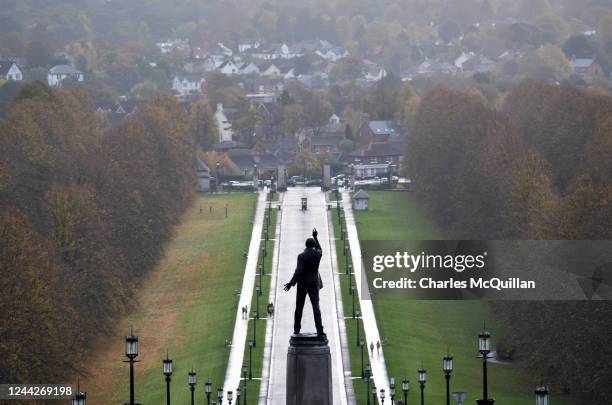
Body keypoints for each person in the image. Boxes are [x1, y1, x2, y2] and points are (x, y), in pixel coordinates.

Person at [284, 228, 325, 336]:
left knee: (299, 308)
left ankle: (297, 329)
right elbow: (320, 249)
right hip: (313, 283)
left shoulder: (301, 256)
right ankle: (319, 330)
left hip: (302, 284)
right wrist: (316, 237)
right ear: (313, 245)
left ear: (305, 245)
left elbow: (299, 271)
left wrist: (291, 283)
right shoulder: (317, 255)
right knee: (316, 307)